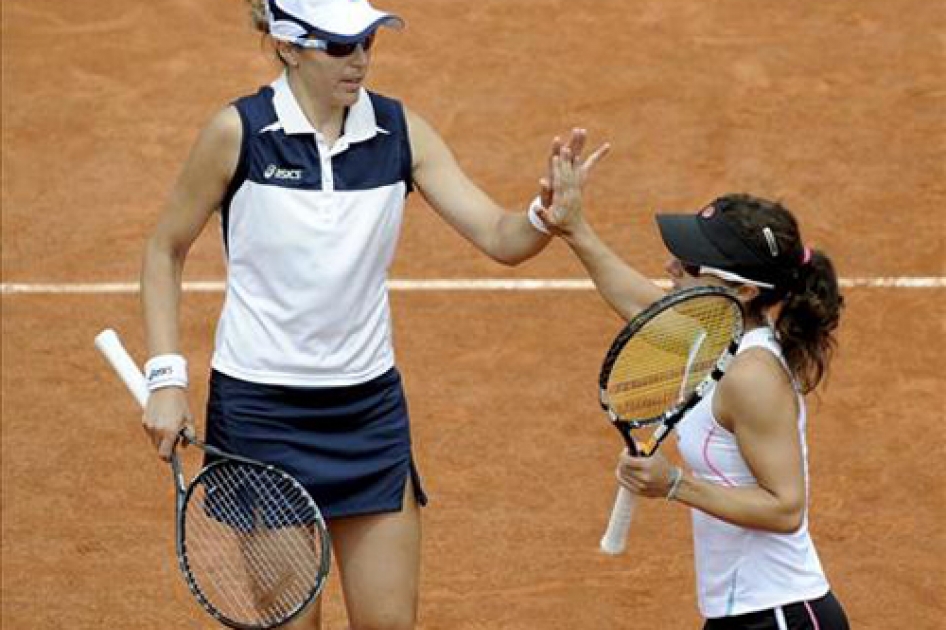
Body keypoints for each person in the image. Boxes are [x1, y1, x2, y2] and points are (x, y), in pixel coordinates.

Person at [138, 1, 606, 628]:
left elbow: (501, 238)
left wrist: (544, 215)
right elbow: (164, 248)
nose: (359, 60)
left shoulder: (398, 131)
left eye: (366, 43)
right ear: (287, 46)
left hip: (368, 414)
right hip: (261, 416)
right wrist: (166, 378)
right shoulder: (239, 132)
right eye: (339, 46)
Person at [538, 153, 850, 629]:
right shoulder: (718, 333)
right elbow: (639, 302)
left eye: (688, 262)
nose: (669, 265)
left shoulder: (752, 377)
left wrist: (676, 485)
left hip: (780, 616)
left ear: (744, 289)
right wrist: (575, 228)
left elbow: (786, 508)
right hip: (742, 612)